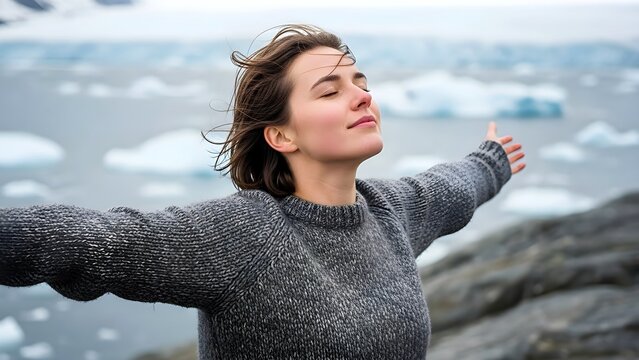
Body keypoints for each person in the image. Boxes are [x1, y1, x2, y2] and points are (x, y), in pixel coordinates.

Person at [0, 24, 525, 359]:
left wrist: (489, 161)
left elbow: (452, 188)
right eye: (330, 89)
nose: (361, 96)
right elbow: (107, 241)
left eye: (360, 82)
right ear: (281, 135)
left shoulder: (392, 211)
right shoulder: (249, 234)